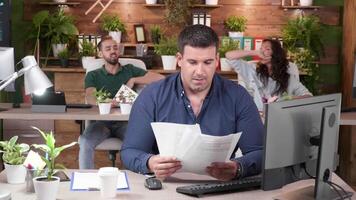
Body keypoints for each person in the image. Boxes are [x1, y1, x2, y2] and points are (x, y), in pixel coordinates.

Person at [121, 25, 264, 181]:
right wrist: (149, 162)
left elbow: (259, 152)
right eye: (193, 62)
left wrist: (238, 167)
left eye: (207, 62)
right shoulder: (152, 96)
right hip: (165, 187)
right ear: (179, 60)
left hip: (220, 189)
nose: (200, 71)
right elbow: (130, 151)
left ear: (216, 60)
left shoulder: (238, 97)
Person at [79, 35, 164, 169]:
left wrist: (135, 80)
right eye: (108, 48)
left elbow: (160, 78)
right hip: (101, 123)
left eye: (115, 48)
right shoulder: (93, 75)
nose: (113, 51)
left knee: (144, 142)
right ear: (100, 53)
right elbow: (90, 96)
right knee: (84, 141)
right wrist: (105, 102)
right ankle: (85, 180)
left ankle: (143, 179)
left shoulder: (130, 70)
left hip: (126, 123)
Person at [226, 39, 312, 111]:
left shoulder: (289, 79)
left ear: (276, 54)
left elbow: (308, 97)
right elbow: (229, 56)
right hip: (257, 116)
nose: (262, 52)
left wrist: (288, 99)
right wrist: (255, 52)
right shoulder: (253, 70)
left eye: (267, 49)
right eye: (261, 49)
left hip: (280, 117)